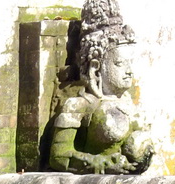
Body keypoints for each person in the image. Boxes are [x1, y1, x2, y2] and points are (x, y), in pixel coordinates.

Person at [44, 0, 153, 174]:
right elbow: (58, 156)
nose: (129, 71)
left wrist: (142, 157)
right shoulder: (78, 106)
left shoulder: (129, 106)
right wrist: (98, 163)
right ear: (96, 68)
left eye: (131, 63)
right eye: (119, 63)